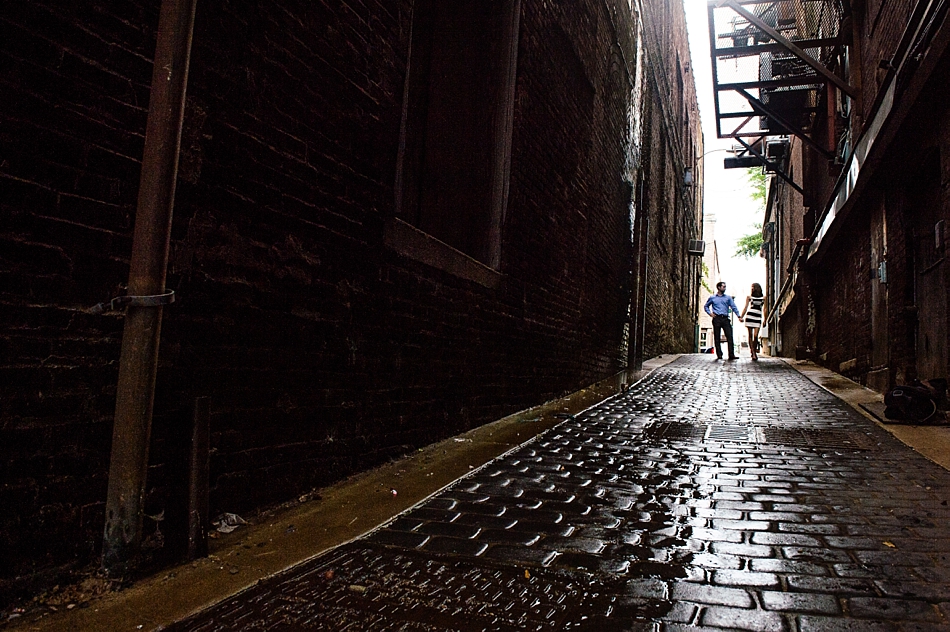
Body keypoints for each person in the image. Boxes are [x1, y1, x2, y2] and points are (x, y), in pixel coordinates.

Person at [704, 281, 742, 360]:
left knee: (729, 336)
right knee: (717, 337)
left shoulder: (728, 298)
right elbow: (706, 306)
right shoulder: (712, 298)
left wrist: (738, 316)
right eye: (723, 286)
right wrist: (710, 314)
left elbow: (733, 307)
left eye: (725, 286)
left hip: (725, 318)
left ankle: (731, 354)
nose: (725, 288)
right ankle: (719, 354)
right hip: (716, 318)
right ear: (718, 287)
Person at [740, 282, 766, 360]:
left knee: (755, 336)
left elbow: (765, 309)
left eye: (753, 287)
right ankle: (753, 352)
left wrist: (765, 319)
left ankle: (754, 349)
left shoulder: (764, 298)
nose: (752, 289)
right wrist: (741, 316)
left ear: (757, 288)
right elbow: (746, 307)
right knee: (750, 335)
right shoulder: (749, 297)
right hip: (750, 316)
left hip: (758, 317)